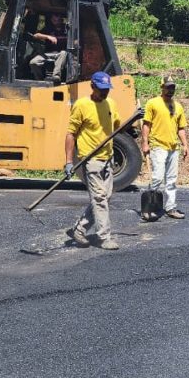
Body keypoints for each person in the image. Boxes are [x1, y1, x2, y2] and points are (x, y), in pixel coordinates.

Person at [64, 71, 122, 251]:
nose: (105, 92)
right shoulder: (81, 105)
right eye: (101, 89)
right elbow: (71, 134)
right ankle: (103, 237)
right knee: (99, 198)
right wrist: (69, 161)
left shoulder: (111, 103)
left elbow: (116, 126)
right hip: (91, 159)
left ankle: (79, 229)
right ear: (92, 86)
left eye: (107, 89)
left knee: (105, 197)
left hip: (108, 157)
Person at [141, 79, 189, 221]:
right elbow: (146, 125)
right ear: (162, 87)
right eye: (168, 88)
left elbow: (181, 128)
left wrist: (185, 145)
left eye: (172, 88)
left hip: (173, 147)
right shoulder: (153, 103)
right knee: (157, 177)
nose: (170, 91)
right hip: (158, 146)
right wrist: (145, 143)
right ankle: (149, 206)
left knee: (171, 180)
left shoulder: (178, 106)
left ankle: (170, 208)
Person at [30, 13, 69, 83]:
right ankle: (40, 80)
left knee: (63, 52)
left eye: (58, 20)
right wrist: (48, 37)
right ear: (51, 20)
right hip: (48, 53)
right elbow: (36, 35)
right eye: (54, 20)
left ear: (61, 20)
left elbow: (75, 39)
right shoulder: (48, 28)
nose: (56, 22)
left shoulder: (67, 28)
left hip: (61, 54)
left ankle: (56, 76)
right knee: (33, 62)